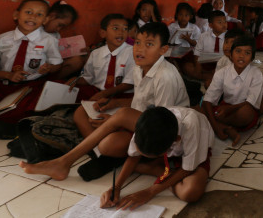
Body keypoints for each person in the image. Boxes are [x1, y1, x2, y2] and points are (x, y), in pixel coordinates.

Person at [21, 106, 213, 209]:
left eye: (147, 156)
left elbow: (187, 168)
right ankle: (63, 163)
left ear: (172, 145)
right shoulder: (147, 126)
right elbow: (132, 156)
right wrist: (117, 186)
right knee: (120, 121)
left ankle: (157, 170)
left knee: (190, 193)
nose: (139, 154)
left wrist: (151, 191)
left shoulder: (192, 129)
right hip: (160, 139)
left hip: (192, 151)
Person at [78, 22, 189, 179]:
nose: (140, 49)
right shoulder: (138, 68)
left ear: (163, 50)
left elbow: (161, 123)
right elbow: (140, 101)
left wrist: (116, 121)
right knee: (81, 112)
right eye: (137, 42)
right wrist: (114, 104)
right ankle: (106, 154)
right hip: (142, 118)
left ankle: (69, 160)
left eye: (149, 44)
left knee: (108, 143)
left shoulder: (165, 77)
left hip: (163, 129)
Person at [0, 0, 62, 122]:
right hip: (4, 87)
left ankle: (11, 121)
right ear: (16, 15)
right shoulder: (0, 40)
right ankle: (14, 121)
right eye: (28, 12)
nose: (33, 17)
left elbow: (57, 64)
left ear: (45, 20)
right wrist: (8, 75)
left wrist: (49, 68)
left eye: (39, 14)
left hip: (32, 86)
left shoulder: (49, 41)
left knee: (41, 103)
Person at [70, 14, 135, 137]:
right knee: (78, 107)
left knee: (98, 115)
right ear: (103, 33)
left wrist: (105, 94)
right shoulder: (96, 54)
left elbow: (129, 83)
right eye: (115, 28)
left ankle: (97, 144)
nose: (121, 32)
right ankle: (95, 146)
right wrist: (75, 80)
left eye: (125, 29)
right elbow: (88, 78)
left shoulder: (133, 52)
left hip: (121, 94)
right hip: (98, 91)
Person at [202, 35, 263, 146]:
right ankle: (223, 128)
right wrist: (217, 129)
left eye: (247, 53)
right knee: (199, 109)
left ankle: (217, 124)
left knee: (245, 113)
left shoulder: (256, 74)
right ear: (230, 55)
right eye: (238, 51)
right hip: (225, 108)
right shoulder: (222, 72)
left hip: (242, 108)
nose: (242, 56)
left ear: (252, 58)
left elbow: (250, 101)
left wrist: (229, 109)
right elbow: (208, 99)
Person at [185, 10, 227, 82]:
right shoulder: (204, 36)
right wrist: (198, 67)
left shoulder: (229, 37)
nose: (224, 24)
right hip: (205, 63)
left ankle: (205, 77)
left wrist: (218, 67)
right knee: (187, 67)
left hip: (221, 64)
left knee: (224, 73)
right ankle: (209, 77)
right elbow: (197, 52)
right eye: (220, 22)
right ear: (210, 25)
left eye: (225, 21)